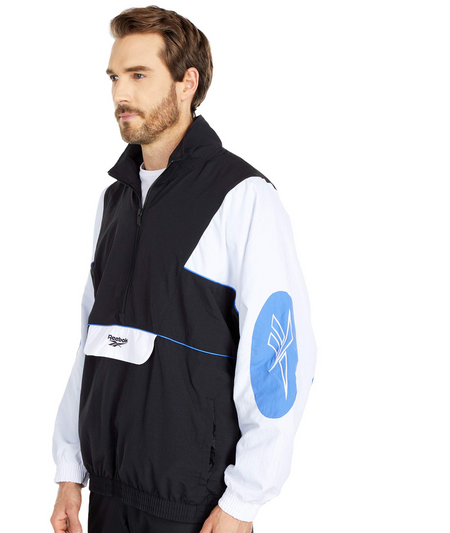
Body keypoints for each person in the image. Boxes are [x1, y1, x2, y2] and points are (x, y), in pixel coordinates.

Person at [50, 6, 317, 533]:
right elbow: (92, 342)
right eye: (114, 77)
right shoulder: (115, 201)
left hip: (195, 509)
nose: (120, 94)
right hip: (107, 496)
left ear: (187, 83)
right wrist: (69, 469)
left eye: (138, 75)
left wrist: (244, 500)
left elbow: (280, 356)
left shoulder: (241, 197)